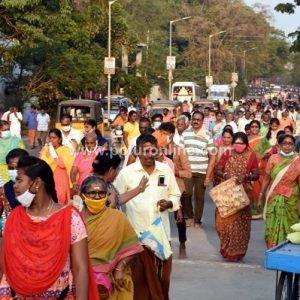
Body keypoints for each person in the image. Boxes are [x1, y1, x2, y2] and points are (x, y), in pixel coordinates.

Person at [0, 156, 98, 299]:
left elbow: (80, 268)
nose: (15, 186)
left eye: (19, 180)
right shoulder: (14, 217)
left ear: (37, 183)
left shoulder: (69, 218)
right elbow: (6, 266)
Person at [114, 134, 181, 300]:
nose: (150, 155)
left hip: (161, 237)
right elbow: (115, 200)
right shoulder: (127, 173)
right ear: (137, 151)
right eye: (145, 151)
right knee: (139, 284)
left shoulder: (165, 170)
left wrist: (170, 203)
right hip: (136, 237)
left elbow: (175, 194)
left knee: (162, 280)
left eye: (153, 150)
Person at [79, 176, 143, 299]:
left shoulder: (118, 217)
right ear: (83, 196)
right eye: (92, 193)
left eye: (101, 193)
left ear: (107, 195)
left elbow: (133, 247)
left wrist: (120, 268)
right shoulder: (75, 219)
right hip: (80, 277)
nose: (97, 197)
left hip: (110, 278)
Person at [215, 132, 259, 261]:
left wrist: (246, 177)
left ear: (246, 144)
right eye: (237, 143)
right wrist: (225, 176)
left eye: (242, 143)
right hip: (227, 193)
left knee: (240, 226)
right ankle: (226, 248)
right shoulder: (227, 153)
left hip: (243, 194)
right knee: (222, 223)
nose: (239, 145)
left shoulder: (251, 156)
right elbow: (218, 170)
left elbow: (256, 175)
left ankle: (237, 252)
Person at [258, 134, 300, 249]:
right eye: (285, 144)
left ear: (294, 145)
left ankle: (287, 251)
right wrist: (260, 196)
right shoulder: (273, 158)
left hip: (291, 199)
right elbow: (266, 178)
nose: (288, 146)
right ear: (279, 145)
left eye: (290, 144)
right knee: (272, 224)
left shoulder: (298, 160)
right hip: (274, 196)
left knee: (290, 226)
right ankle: (273, 249)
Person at [180, 111, 216, 227]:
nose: (196, 121)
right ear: (191, 120)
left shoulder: (208, 135)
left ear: (202, 121)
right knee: (187, 193)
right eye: (194, 119)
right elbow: (180, 153)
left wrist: (208, 176)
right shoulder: (185, 134)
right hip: (188, 170)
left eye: (198, 119)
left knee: (200, 197)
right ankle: (189, 216)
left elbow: (212, 156)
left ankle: (197, 220)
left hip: (202, 170)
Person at [40, 129, 74, 205]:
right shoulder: (45, 148)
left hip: (60, 180)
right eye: (50, 138)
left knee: (60, 201)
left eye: (54, 138)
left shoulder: (64, 150)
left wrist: (54, 153)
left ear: (59, 139)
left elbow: (63, 164)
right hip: (47, 180)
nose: (52, 140)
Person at [248, 120, 272, 219]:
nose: (254, 129)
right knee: (251, 189)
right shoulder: (246, 139)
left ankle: (260, 211)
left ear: (259, 128)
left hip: (261, 166)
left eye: (256, 127)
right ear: (249, 128)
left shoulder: (263, 139)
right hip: (250, 166)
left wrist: (263, 155)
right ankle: (252, 212)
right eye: (252, 127)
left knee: (260, 188)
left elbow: (270, 151)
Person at [0, 149, 29, 228]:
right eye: (11, 168)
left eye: (17, 168)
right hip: (16, 230)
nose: (13, 171)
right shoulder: (6, 188)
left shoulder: (36, 185)